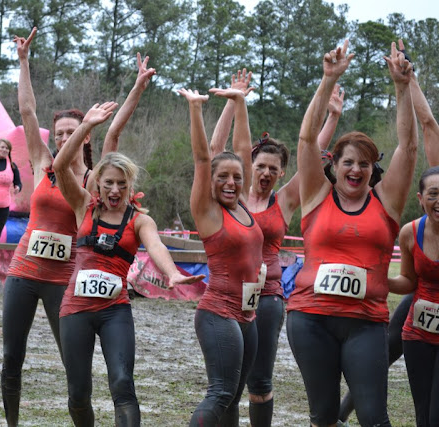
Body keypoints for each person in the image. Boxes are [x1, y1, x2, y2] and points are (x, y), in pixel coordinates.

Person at [1, 27, 156, 426]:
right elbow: (28, 112)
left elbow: (115, 132)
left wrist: (137, 88)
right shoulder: (43, 163)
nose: (66, 137)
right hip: (24, 272)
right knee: (12, 356)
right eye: (62, 134)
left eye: (74, 131)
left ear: (85, 135)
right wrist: (23, 62)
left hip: (65, 280)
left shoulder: (94, 182)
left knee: (75, 370)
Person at [287, 40, 416, 427]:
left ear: (373, 169)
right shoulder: (315, 194)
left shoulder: (386, 202)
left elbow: (409, 147)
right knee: (324, 416)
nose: (356, 169)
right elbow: (307, 140)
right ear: (334, 166)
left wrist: (402, 87)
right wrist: (327, 80)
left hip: (366, 322)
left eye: (364, 163)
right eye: (348, 162)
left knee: (374, 418)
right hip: (310, 319)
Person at [54, 101, 204, 427]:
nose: (115, 190)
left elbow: (156, 246)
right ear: (98, 182)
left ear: (130, 186)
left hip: (115, 312)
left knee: (122, 383)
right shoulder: (82, 205)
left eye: (122, 184)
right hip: (75, 310)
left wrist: (172, 273)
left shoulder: (139, 220)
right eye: (109, 182)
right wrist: (85, 127)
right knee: (78, 393)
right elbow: (60, 165)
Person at [209, 69, 343, 427]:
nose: (266, 173)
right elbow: (225, 148)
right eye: (260, 166)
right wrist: (236, 102)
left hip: (267, 297)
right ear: (250, 167)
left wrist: (331, 116)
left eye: (273, 168)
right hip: (227, 294)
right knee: (228, 384)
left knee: (260, 381)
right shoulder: (234, 195)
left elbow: (312, 154)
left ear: (282, 172)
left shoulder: (284, 201)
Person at [338, 39, 439, 425]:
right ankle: (343, 411)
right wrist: (408, 79)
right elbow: (427, 124)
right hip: (424, 290)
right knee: (388, 345)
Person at [178, 84, 266, 427]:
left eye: (237, 177)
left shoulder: (242, 204)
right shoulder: (208, 210)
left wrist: (240, 102)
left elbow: (243, 148)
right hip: (218, 313)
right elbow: (203, 158)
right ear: (210, 180)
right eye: (222, 177)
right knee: (220, 393)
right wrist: (195, 108)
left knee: (232, 399)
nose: (231, 182)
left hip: (248, 315)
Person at [388, 166, 439, 427]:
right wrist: (381, 281)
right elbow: (408, 281)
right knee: (423, 416)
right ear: (420, 199)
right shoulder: (410, 232)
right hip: (417, 334)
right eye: (433, 194)